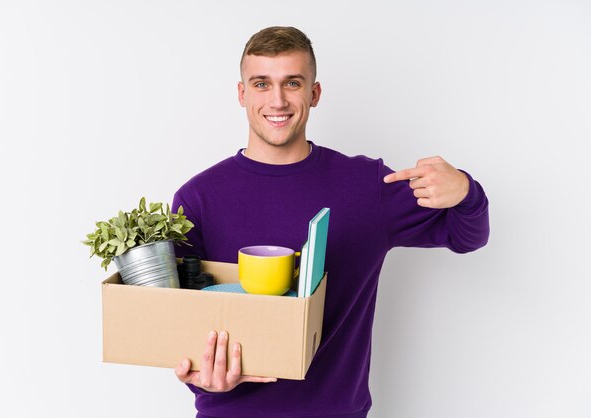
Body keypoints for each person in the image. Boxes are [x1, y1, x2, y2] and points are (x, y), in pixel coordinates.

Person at [172, 26, 489, 418]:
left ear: (314, 93)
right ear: (242, 94)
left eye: (292, 82)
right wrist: (199, 376)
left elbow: (466, 235)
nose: (278, 100)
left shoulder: (365, 187)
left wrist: (466, 191)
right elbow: (176, 323)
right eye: (261, 84)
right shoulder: (198, 198)